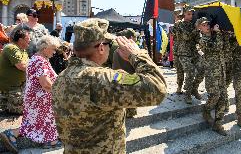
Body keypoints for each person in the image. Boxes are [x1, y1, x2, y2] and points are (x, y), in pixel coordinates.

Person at [52, 18, 167, 153]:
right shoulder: (101, 79)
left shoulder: (62, 77)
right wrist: (137, 55)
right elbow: (157, 88)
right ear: (101, 47)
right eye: (109, 44)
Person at [0, 35, 62, 153]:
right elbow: (46, 83)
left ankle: (12, 133)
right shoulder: (40, 61)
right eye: (53, 49)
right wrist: (60, 92)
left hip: (35, 97)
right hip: (40, 98)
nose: (54, 52)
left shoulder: (36, 58)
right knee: (45, 119)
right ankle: (49, 141)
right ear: (45, 48)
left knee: (34, 122)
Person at [197, 17, 227, 136]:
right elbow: (217, 47)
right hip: (211, 72)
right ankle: (206, 109)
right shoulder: (203, 40)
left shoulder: (215, 36)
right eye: (204, 25)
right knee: (215, 96)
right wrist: (218, 33)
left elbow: (223, 45)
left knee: (223, 98)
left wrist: (219, 32)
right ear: (200, 28)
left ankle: (218, 124)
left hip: (221, 70)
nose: (207, 26)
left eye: (208, 24)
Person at [172, 5, 204, 103]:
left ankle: (194, 88)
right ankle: (187, 93)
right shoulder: (179, 24)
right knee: (186, 72)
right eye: (189, 14)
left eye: (192, 14)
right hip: (182, 52)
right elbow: (186, 37)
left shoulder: (194, 25)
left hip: (193, 51)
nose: (191, 16)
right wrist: (196, 28)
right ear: (184, 13)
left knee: (202, 69)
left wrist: (203, 39)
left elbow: (197, 39)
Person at [0, 28, 30, 114]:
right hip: (10, 91)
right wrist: (36, 66)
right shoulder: (11, 48)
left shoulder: (22, 50)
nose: (30, 40)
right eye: (28, 39)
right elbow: (22, 66)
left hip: (18, 89)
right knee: (29, 111)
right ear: (20, 40)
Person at [113, 28, 140, 118]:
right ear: (131, 37)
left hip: (117, 76)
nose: (136, 38)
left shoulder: (117, 49)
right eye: (135, 37)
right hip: (129, 77)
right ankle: (130, 113)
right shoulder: (132, 51)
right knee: (130, 96)